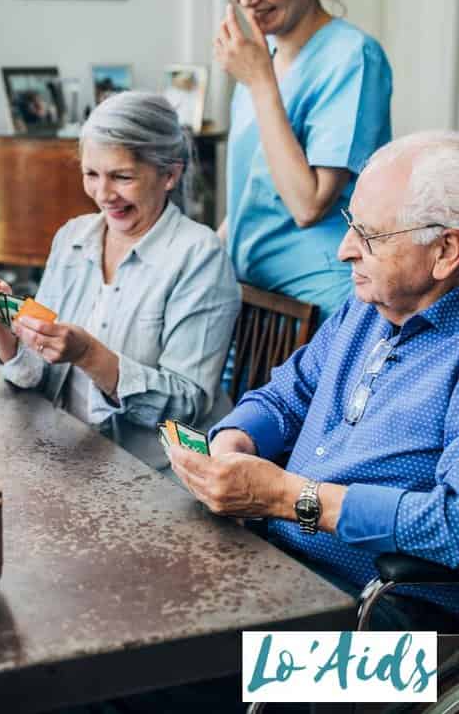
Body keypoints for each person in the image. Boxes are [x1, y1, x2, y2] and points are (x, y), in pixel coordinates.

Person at [171, 131, 459, 630]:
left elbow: (453, 526)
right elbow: (287, 394)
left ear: (445, 251)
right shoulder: (366, 307)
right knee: (123, 623)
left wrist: (288, 497)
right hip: (283, 566)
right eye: (351, 223)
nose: (345, 249)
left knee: (164, 678)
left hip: (403, 631)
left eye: (369, 236)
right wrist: (233, 444)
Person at [0, 93, 240, 470]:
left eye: (122, 177)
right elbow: (33, 375)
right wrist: (1, 320)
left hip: (154, 475)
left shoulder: (199, 256)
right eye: (91, 174)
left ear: (170, 175)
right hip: (68, 453)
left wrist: (89, 355)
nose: (103, 194)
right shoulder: (73, 238)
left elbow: (187, 409)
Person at [215, 0, 392, 322]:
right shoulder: (263, 56)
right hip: (249, 296)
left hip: (316, 303)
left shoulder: (352, 56)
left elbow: (309, 204)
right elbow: (251, 191)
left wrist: (260, 84)